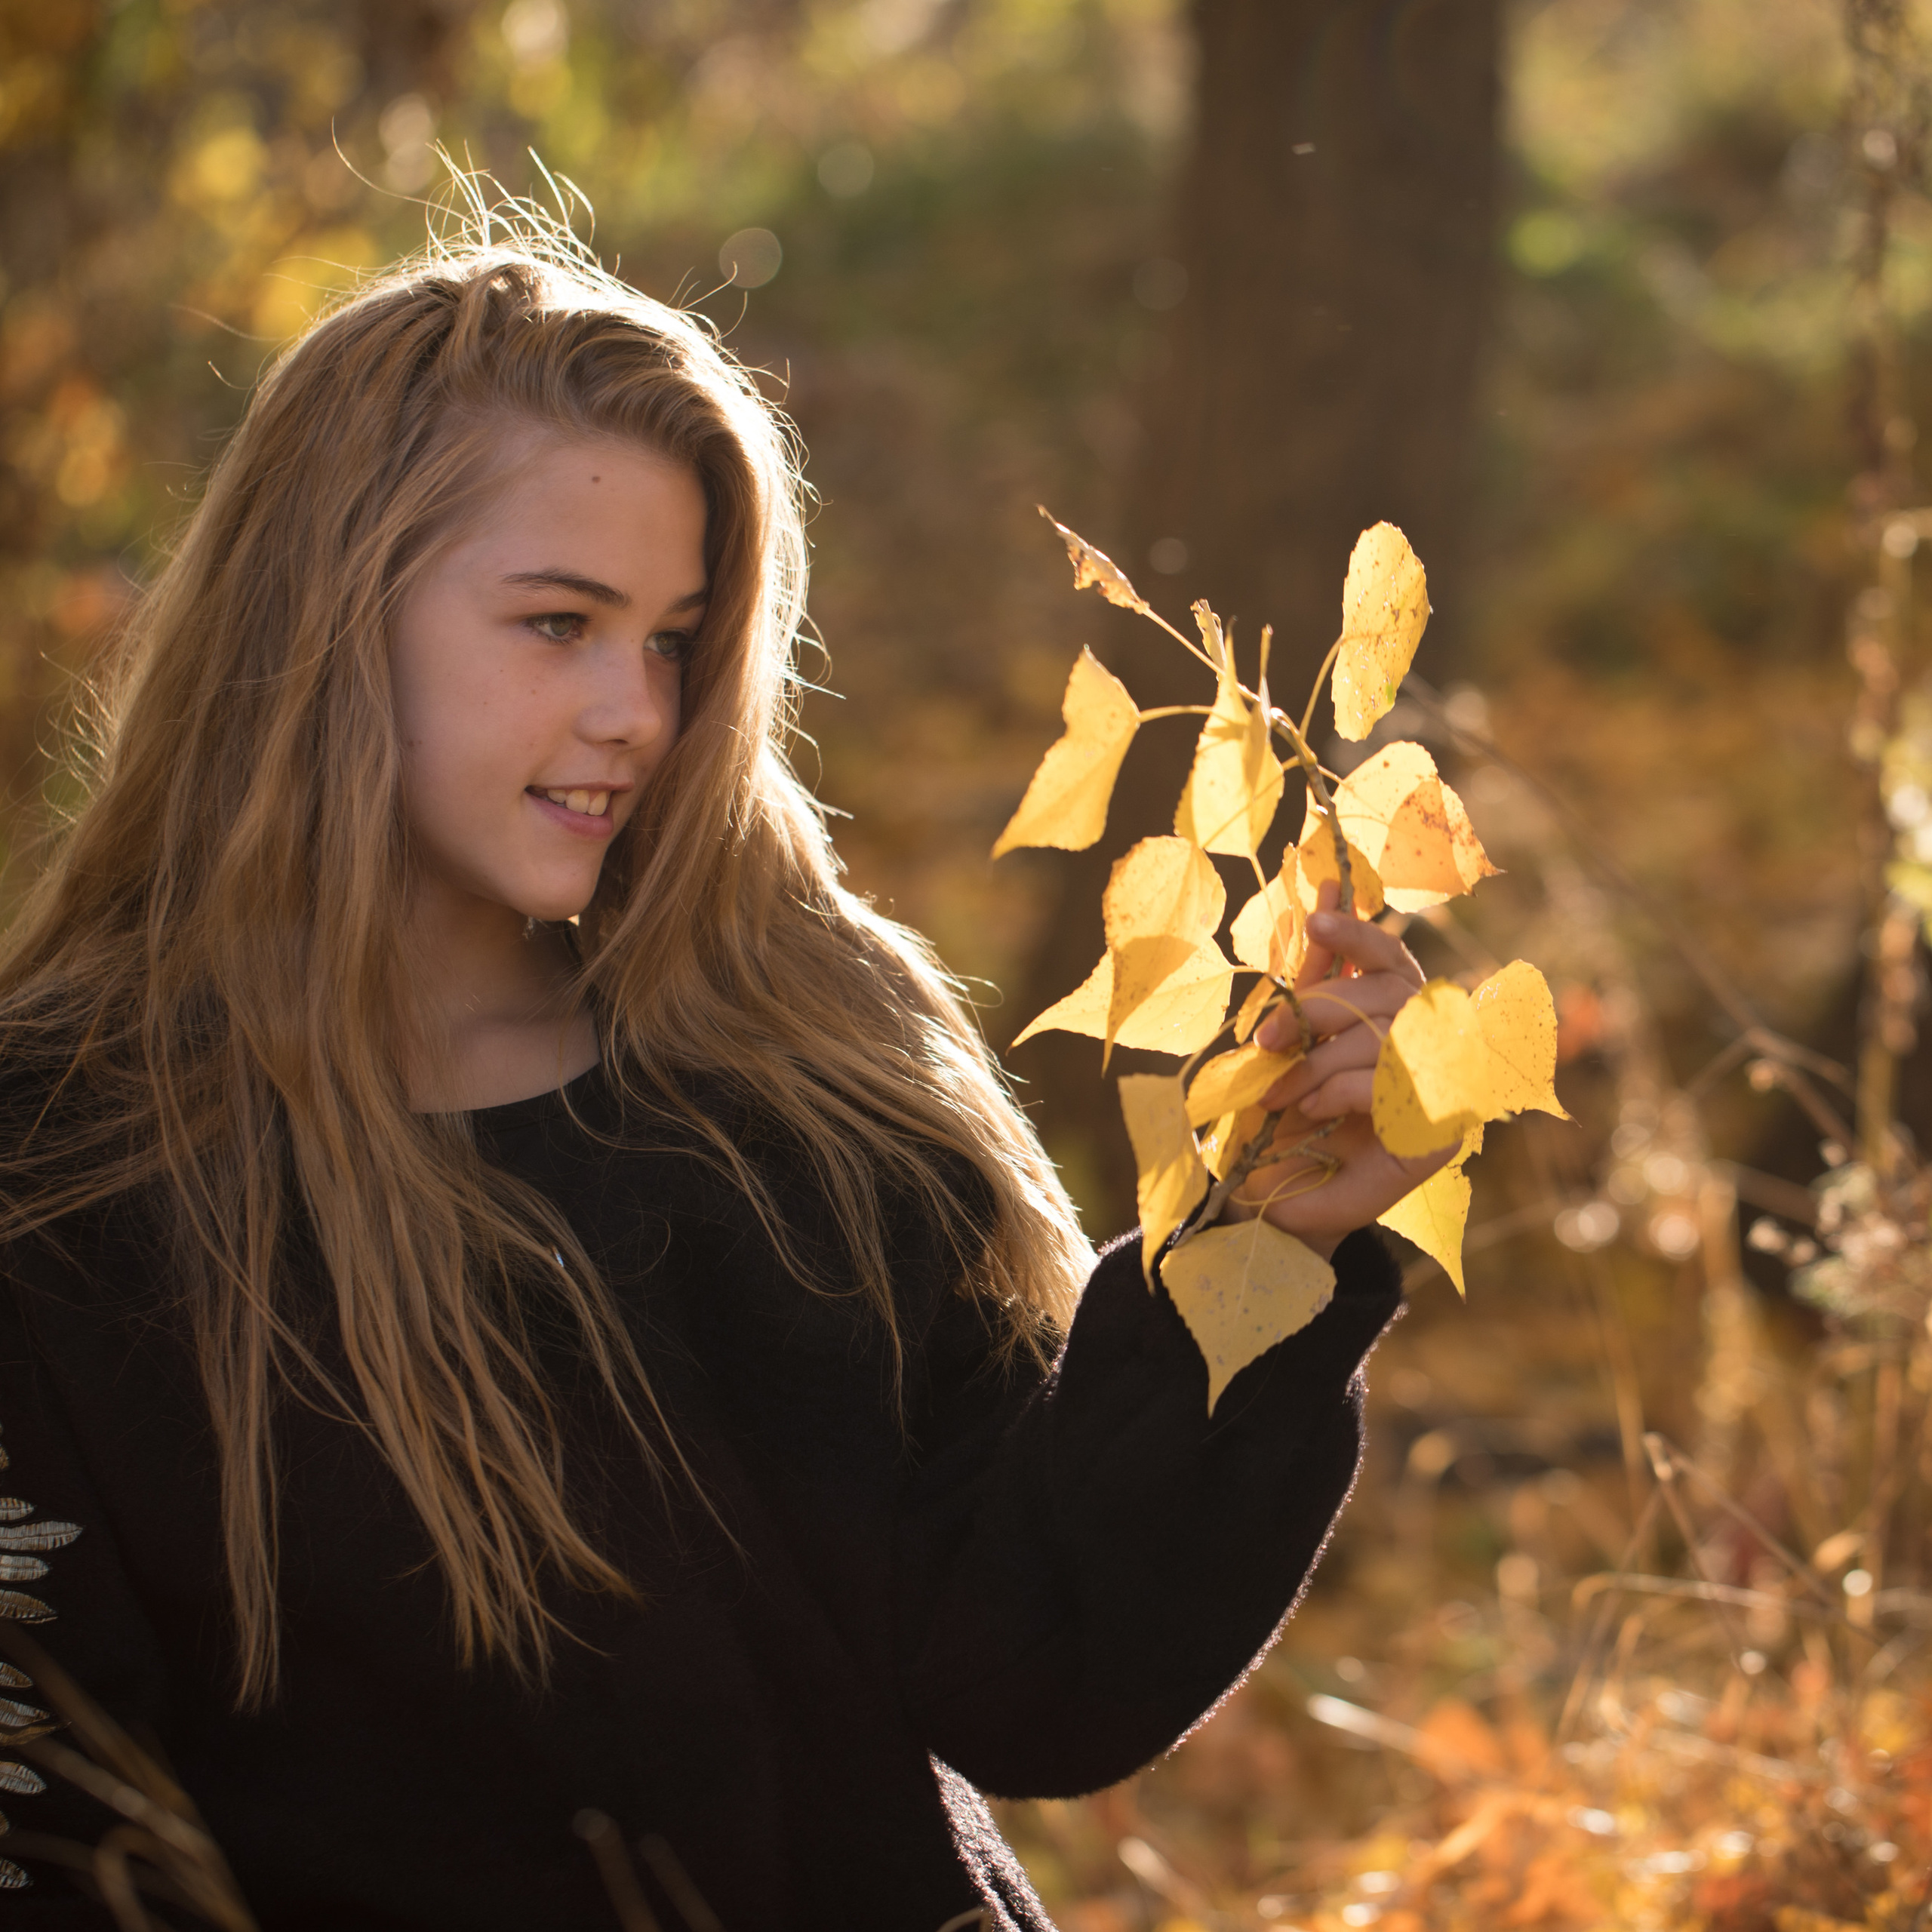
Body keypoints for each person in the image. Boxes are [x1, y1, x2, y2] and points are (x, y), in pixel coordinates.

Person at [0, 208, 1438, 1930]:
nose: (637, 711)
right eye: (558, 623)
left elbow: (1034, 1675)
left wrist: (1267, 1243)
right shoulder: (64, 1180)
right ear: (320, 617)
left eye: (674, 640)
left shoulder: (784, 1076)